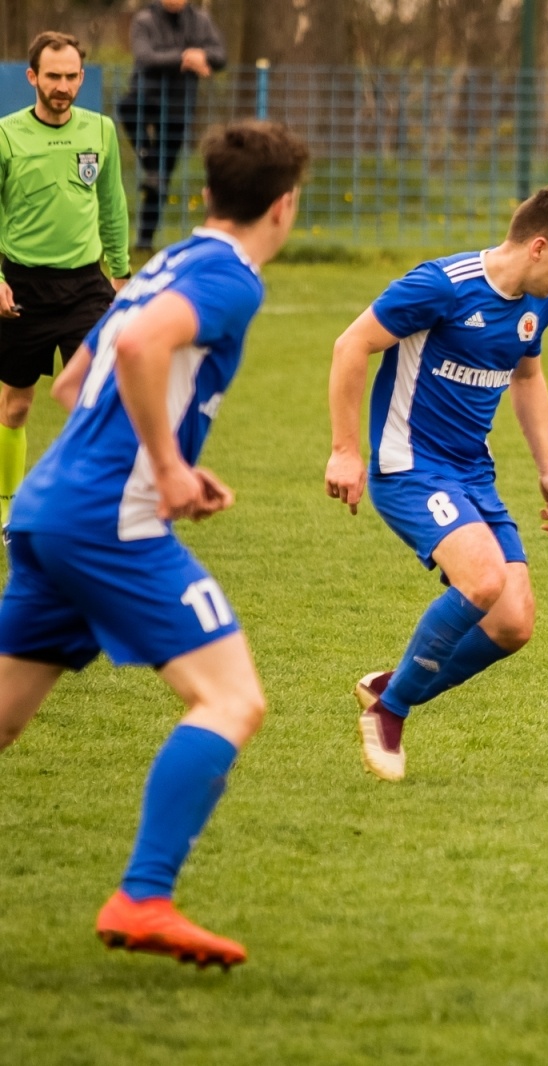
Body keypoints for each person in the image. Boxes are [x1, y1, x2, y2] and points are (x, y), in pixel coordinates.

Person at [0, 120, 309, 969]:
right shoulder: (230, 279)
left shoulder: (167, 261)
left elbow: (73, 382)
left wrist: (160, 461)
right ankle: (144, 896)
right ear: (283, 207)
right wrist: (167, 470)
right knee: (232, 701)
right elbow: (136, 349)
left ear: (207, 195)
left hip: (51, 505)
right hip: (109, 520)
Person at [324, 185, 548, 783]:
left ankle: (390, 686)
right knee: (481, 580)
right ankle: (391, 712)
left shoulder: (536, 301)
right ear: (538, 246)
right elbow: (351, 346)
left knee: (513, 623)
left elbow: (528, 377)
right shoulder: (440, 286)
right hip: (409, 466)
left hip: (473, 473)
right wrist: (346, 451)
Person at [0, 31, 130, 526]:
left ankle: (86, 509)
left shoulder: (100, 130)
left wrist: (120, 274)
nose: (63, 85)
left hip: (85, 287)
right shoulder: (6, 135)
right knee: (16, 405)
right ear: (33, 77)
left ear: (81, 76)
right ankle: (10, 511)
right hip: (23, 288)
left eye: (72, 76)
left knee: (94, 401)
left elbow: (112, 206)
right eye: (53, 76)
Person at [119, 0, 227, 253]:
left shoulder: (201, 21)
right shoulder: (144, 20)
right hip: (144, 98)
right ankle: (149, 164)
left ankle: (145, 240)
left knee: (161, 178)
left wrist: (202, 56)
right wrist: (185, 58)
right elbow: (145, 56)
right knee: (127, 111)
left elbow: (220, 56)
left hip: (180, 106)